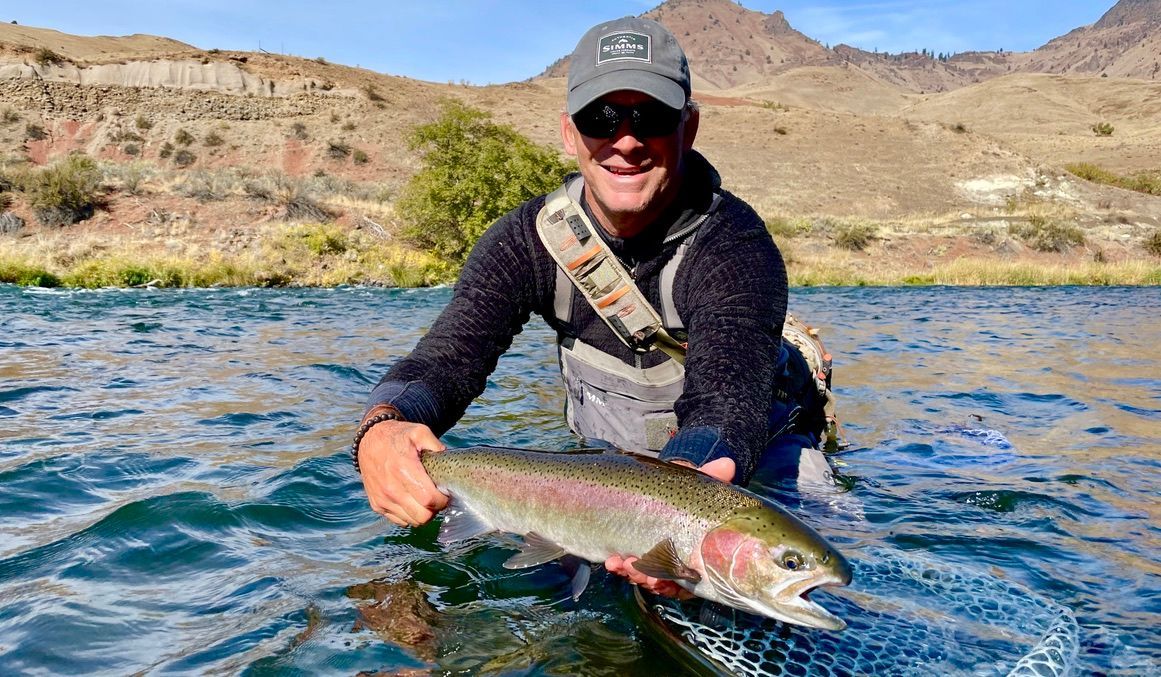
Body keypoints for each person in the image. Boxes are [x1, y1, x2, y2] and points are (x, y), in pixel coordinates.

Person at [352, 16, 830, 598]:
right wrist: (383, 427)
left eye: (649, 118)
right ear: (568, 132)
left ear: (690, 127)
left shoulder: (735, 247)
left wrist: (682, 512)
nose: (625, 141)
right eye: (600, 118)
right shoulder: (526, 241)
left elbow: (725, 401)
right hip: (606, 481)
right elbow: (447, 361)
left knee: (830, 583)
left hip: (736, 476)